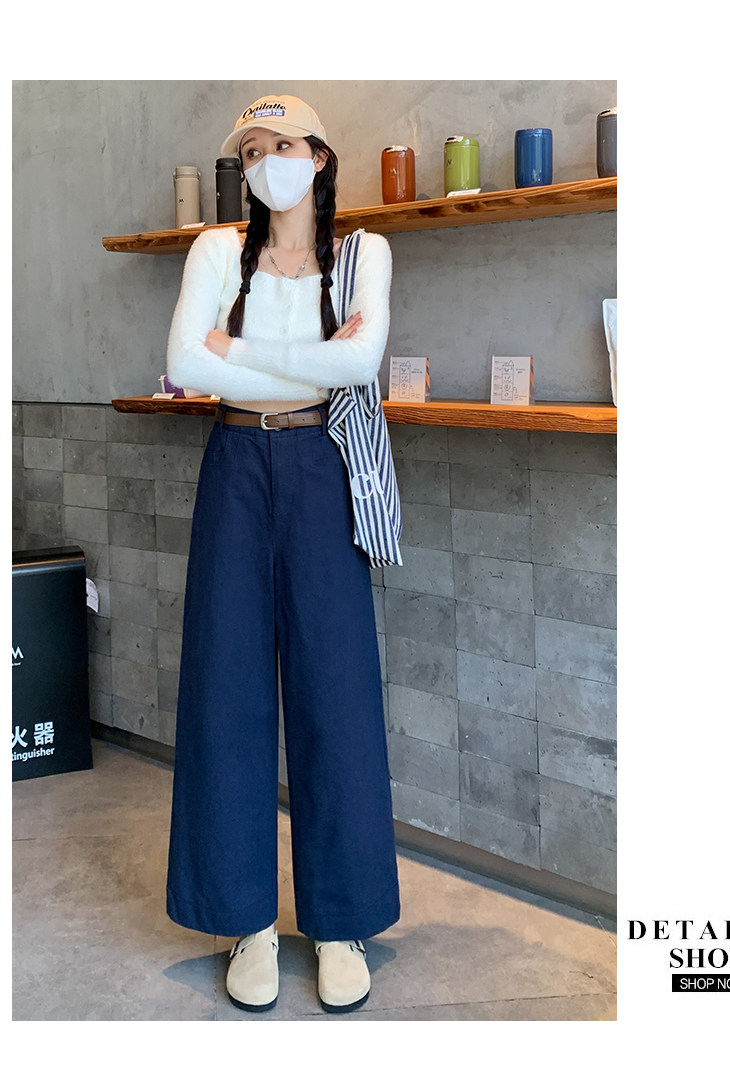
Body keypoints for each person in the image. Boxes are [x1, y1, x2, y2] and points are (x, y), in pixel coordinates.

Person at [164, 93, 401, 1015]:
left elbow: (360, 365)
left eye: (284, 144)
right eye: (254, 150)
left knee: (336, 686)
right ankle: (246, 923)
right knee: (224, 685)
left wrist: (241, 347)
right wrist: (306, 354)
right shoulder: (216, 251)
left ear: (321, 156)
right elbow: (188, 365)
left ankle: (341, 923)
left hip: (319, 464)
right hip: (235, 460)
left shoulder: (364, 253)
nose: (269, 162)